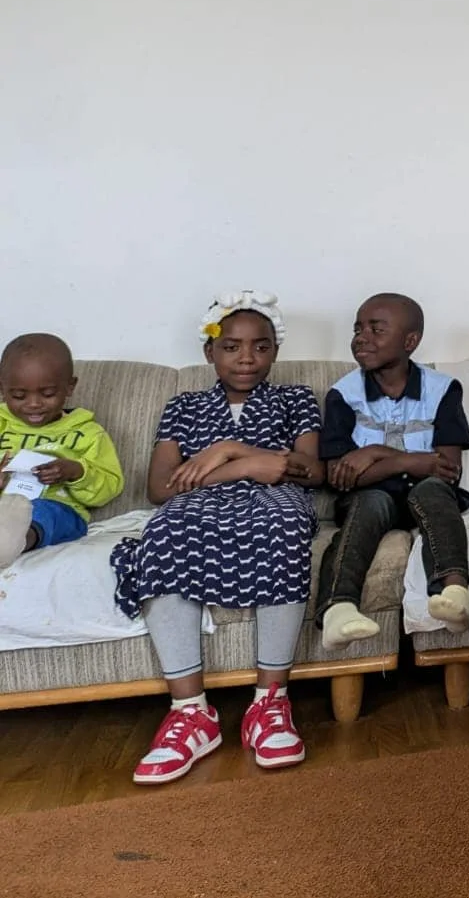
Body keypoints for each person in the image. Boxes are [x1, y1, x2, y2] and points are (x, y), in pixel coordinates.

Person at [111, 291, 324, 785]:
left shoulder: (295, 399)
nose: (247, 358)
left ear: (275, 351)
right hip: (197, 503)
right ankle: (191, 712)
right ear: (210, 351)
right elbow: (160, 488)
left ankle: (270, 702)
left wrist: (230, 449)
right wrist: (245, 465)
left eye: (261, 347)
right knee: (162, 531)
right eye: (231, 347)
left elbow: (312, 472)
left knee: (287, 524)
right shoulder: (184, 406)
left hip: (276, 500)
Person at [317, 293, 469, 650]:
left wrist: (375, 455)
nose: (361, 338)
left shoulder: (442, 390)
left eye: (376, 329)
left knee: (433, 490)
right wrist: (410, 460)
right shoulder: (344, 394)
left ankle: (454, 593)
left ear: (410, 341)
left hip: (426, 492)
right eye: (357, 329)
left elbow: (447, 470)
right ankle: (338, 610)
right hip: (370, 498)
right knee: (370, 501)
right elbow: (339, 476)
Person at [0, 333, 125, 567]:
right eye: (19, 396)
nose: (33, 404)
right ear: (2, 388)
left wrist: (75, 471)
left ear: (70, 387)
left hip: (58, 510)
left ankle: (14, 541)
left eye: (47, 394)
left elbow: (110, 487)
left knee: (45, 513)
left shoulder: (88, 433)